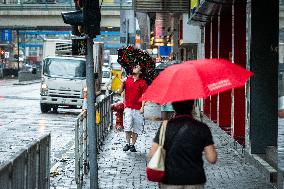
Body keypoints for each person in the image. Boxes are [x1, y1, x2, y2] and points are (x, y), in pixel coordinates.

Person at [148, 100, 217, 189]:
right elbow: (212, 158)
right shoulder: (202, 127)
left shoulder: (165, 126)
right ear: (192, 107)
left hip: (170, 180)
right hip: (194, 180)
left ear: (174, 108)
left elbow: (152, 154)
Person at [117, 65, 148, 152]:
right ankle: (127, 143)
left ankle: (132, 145)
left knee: (136, 127)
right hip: (128, 107)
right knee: (127, 125)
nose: (134, 68)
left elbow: (144, 96)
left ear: (140, 72)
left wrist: (142, 107)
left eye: (137, 67)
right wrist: (122, 83)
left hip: (138, 108)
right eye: (134, 67)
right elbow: (119, 91)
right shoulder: (127, 79)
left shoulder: (142, 82)